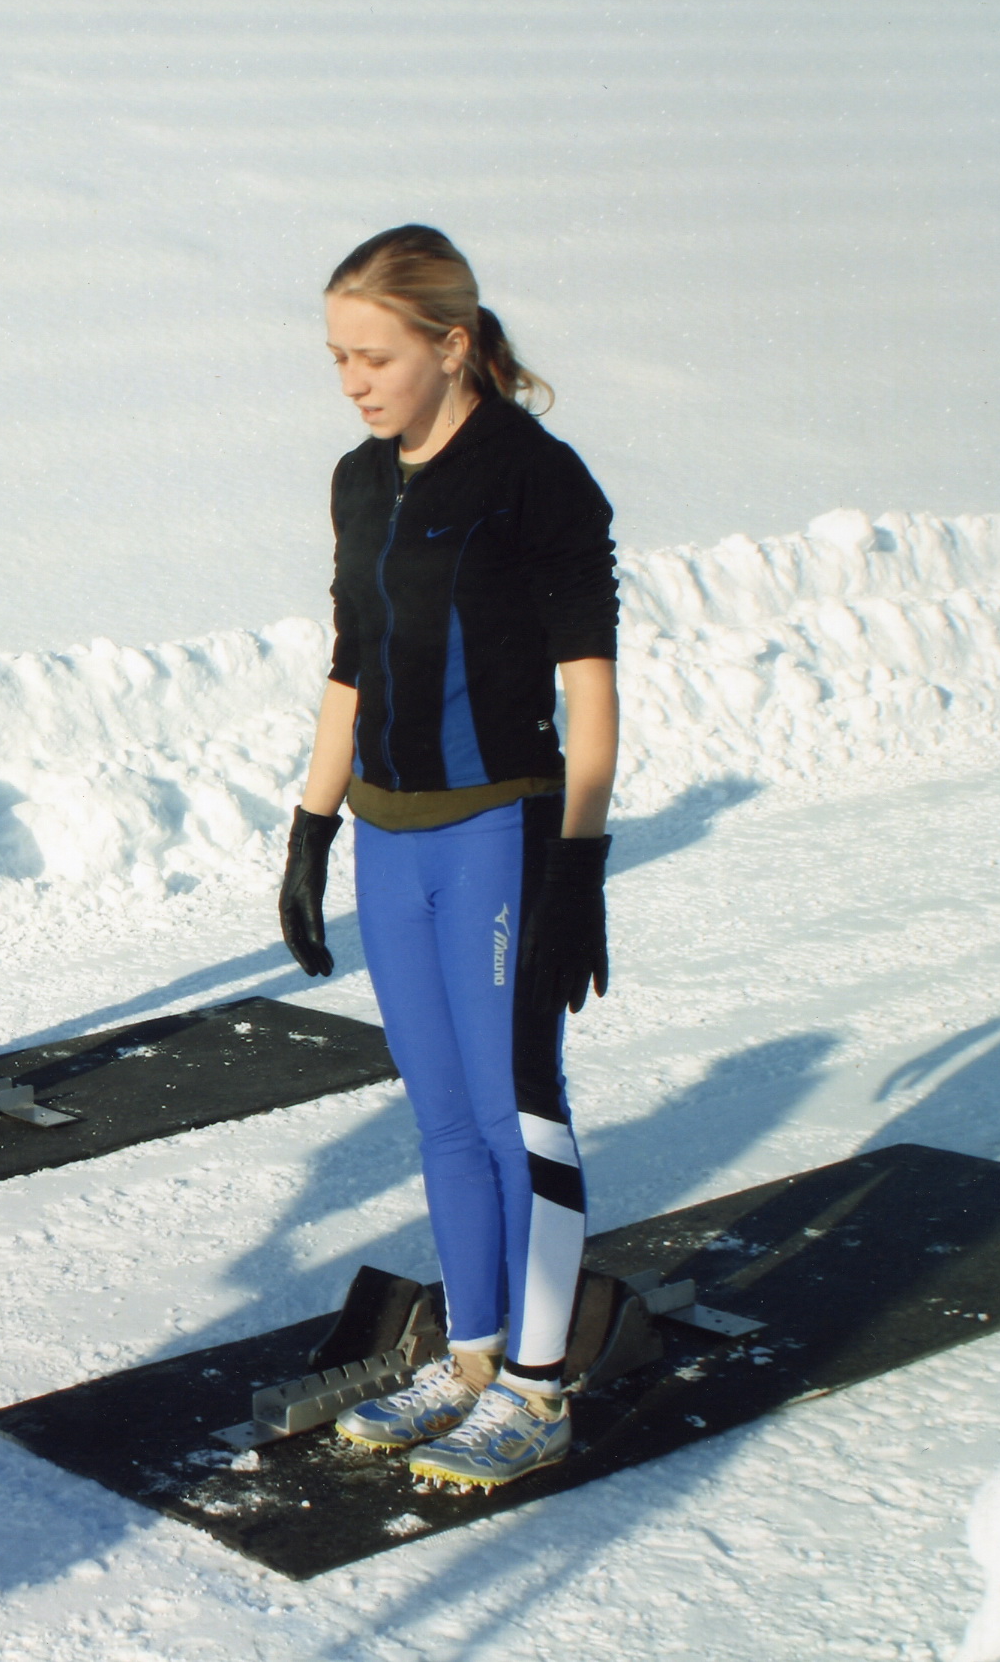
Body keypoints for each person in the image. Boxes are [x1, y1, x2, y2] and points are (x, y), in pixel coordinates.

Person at [278, 225, 620, 1491]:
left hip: (503, 828)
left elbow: (592, 688)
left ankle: (537, 1390)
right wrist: (312, 827)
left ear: (452, 343)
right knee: (439, 1118)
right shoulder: (360, 481)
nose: (355, 380)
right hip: (388, 832)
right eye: (337, 358)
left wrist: (578, 864)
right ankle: (473, 1354)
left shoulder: (538, 478)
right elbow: (350, 662)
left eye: (375, 355)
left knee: (515, 1105)